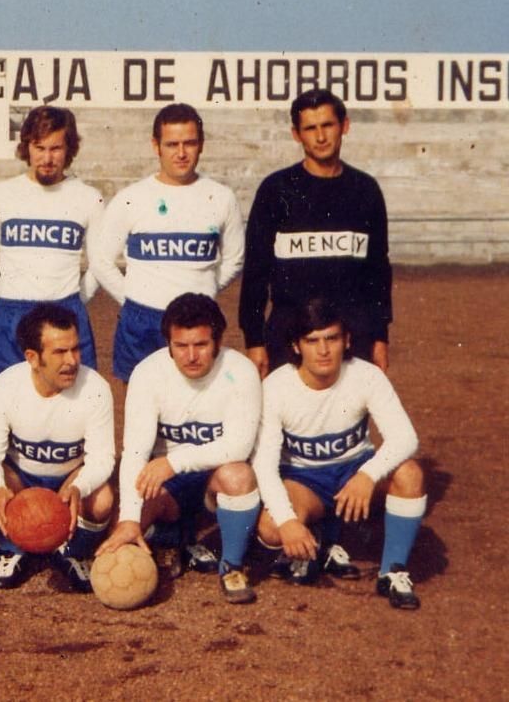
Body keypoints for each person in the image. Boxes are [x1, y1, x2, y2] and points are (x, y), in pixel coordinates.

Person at [253, 299, 425, 609]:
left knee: (410, 473)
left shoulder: (366, 375)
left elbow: (406, 437)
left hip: (354, 471)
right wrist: (290, 521)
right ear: (295, 345)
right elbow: (264, 465)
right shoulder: (276, 387)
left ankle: (392, 571)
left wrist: (367, 475)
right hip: (305, 481)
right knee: (271, 529)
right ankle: (320, 537)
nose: (323, 350)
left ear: (346, 340)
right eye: (312, 341)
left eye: (332, 338)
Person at [97, 293, 263, 604]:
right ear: (168, 345)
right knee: (118, 539)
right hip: (166, 484)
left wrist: (175, 461)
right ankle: (169, 538)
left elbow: (239, 446)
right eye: (181, 346)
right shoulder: (147, 373)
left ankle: (231, 566)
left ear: (217, 341)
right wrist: (130, 518)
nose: (191, 356)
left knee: (239, 476)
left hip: (211, 478)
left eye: (201, 345)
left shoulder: (238, 371)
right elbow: (134, 452)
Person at [240, 89, 392, 377]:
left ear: (344, 126)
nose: (321, 137)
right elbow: (256, 271)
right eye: (310, 128)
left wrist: (380, 336)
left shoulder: (366, 190)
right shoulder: (276, 190)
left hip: (353, 332)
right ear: (297, 134)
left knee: (348, 418)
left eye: (328, 125)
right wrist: (254, 340)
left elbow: (378, 271)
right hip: (288, 333)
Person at [90, 103, 245, 383]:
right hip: (142, 320)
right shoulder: (132, 197)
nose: (182, 153)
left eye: (190, 143)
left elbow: (234, 258)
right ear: (156, 145)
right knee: (139, 406)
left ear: (201, 145)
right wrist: (132, 298)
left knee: (196, 404)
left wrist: (204, 288)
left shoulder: (221, 197)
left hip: (198, 321)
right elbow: (101, 260)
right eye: (172, 144)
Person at [0, 302, 115, 592]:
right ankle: (13, 549)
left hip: (68, 479)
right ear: (33, 358)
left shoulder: (95, 387)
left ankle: (72, 552)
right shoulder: (5, 386)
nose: (72, 361)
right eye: (60, 352)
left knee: (102, 501)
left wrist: (79, 487)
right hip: (22, 479)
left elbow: (102, 458)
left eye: (75, 349)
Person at [0, 105, 104, 379]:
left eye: (56, 148)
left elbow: (99, 264)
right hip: (12, 313)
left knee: (68, 406)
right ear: (27, 147)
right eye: (39, 147)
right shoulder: (3, 193)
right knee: (7, 402)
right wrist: (3, 298)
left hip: (65, 311)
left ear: (69, 148)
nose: (47, 158)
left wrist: (76, 300)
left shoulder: (88, 197)